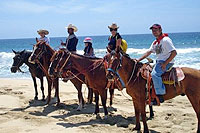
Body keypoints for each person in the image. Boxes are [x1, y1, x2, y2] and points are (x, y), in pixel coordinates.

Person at [137, 24, 177, 105]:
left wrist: (165, 64)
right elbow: (148, 52)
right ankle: (150, 94)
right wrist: (138, 60)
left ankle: (160, 95)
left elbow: (174, 53)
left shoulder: (166, 40)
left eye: (155, 30)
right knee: (147, 73)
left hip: (167, 62)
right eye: (153, 31)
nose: (154, 32)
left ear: (160, 29)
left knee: (155, 75)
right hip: (159, 62)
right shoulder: (155, 42)